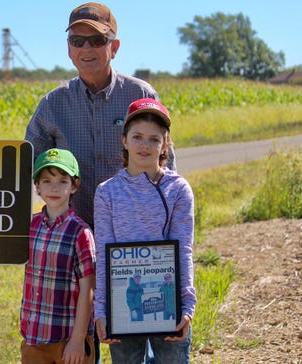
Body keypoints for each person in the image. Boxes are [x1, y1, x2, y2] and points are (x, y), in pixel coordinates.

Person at [24, 2, 175, 228]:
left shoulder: (140, 95)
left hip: (130, 230)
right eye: (77, 41)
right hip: (73, 234)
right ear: (69, 49)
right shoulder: (53, 104)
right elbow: (24, 162)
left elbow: (165, 163)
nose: (86, 48)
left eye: (97, 40)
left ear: (114, 48)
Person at [93, 98, 196, 363]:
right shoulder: (107, 192)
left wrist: (187, 306)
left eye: (154, 139)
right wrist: (102, 310)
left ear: (165, 144)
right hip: (124, 305)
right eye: (137, 137)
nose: (145, 145)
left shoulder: (178, 190)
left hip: (167, 302)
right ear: (124, 140)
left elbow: (183, 249)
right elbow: (104, 253)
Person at [20, 148, 96, 363]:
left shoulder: (81, 233)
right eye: (46, 181)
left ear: (74, 186)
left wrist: (78, 339)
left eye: (62, 181)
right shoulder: (29, 226)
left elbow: (87, 289)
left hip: (68, 340)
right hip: (34, 337)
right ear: (37, 186)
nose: (54, 188)